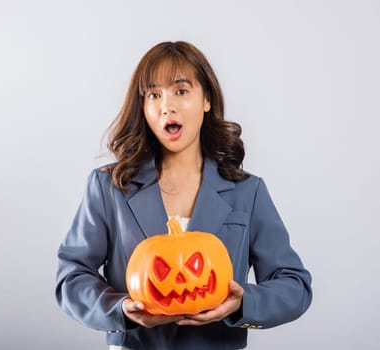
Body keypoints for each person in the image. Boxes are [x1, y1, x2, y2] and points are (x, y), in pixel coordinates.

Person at [55, 41, 312, 350]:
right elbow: (71, 276)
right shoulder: (108, 186)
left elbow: (295, 285)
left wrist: (241, 303)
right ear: (144, 107)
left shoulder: (247, 191)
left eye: (180, 91)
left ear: (207, 99)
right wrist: (120, 308)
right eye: (153, 94)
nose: (167, 105)